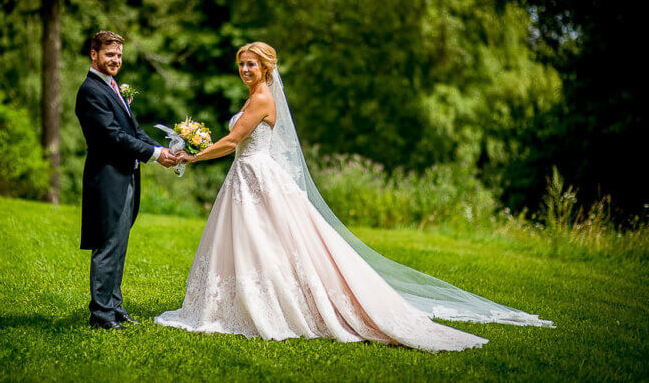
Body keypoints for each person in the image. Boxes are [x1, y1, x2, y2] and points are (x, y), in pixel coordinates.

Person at [154, 41, 553, 352]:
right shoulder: (252, 97)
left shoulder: (261, 99)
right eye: (241, 64)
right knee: (254, 244)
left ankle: (275, 308)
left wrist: (195, 154)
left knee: (274, 243)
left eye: (251, 64)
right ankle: (245, 304)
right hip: (247, 177)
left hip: (256, 176)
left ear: (266, 68)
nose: (244, 70)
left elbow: (234, 140)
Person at [75, 30, 178, 330]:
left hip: (127, 175)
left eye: (119, 55)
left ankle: (115, 306)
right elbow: (111, 136)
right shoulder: (91, 90)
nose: (115, 60)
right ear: (94, 54)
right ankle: (101, 314)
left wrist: (160, 150)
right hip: (107, 178)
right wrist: (153, 154)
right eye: (109, 54)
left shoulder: (112, 87)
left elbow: (132, 130)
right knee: (108, 244)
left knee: (119, 243)